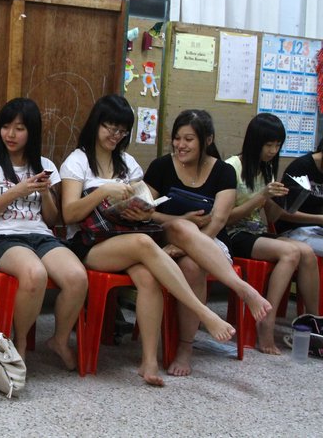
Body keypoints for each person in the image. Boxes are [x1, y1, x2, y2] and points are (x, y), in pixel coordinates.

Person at [59, 94, 235, 387]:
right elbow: (69, 214)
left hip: (125, 236)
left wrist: (141, 211)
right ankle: (203, 312)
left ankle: (149, 361)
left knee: (149, 277)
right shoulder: (77, 161)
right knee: (143, 244)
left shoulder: (128, 164)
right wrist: (104, 192)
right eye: (110, 127)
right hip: (87, 244)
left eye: (122, 130)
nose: (115, 135)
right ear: (96, 124)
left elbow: (145, 212)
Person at [143, 109, 271, 375]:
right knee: (181, 225)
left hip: (210, 241)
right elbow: (145, 211)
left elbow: (219, 220)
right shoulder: (161, 166)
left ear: (207, 140)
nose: (180, 145)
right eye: (177, 138)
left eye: (189, 139)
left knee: (192, 265)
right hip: (166, 237)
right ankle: (242, 289)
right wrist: (180, 220)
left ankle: (185, 348)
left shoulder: (223, 171)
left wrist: (187, 245)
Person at [0, 97, 87, 366]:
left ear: (31, 132)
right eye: (5, 126)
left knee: (77, 277)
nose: (10, 134)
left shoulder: (45, 165)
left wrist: (45, 193)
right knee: (35, 274)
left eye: (19, 128)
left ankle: (59, 340)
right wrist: (16, 191)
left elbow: (52, 219)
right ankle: (19, 343)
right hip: (1, 237)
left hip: (41, 235)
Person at [224, 113, 320, 354]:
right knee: (290, 253)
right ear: (255, 142)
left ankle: (315, 323)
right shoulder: (232, 167)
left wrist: (289, 199)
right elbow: (226, 218)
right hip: (234, 234)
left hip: (258, 232)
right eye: (269, 145)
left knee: (307, 253)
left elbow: (273, 218)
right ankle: (267, 320)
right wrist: (262, 195)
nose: (273, 151)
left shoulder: (266, 170)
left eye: (277, 145)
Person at [274, 135, 323, 256]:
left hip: (318, 230)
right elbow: (281, 212)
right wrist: (319, 219)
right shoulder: (301, 167)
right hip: (293, 229)